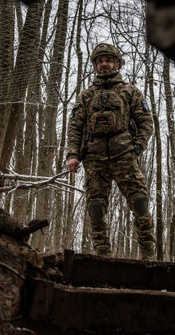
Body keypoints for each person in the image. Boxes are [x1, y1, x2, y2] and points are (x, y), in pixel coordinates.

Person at [65, 43, 156, 259]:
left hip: (124, 156)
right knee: (95, 207)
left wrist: (137, 147)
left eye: (108, 60)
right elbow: (74, 126)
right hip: (94, 158)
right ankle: (103, 255)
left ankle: (148, 254)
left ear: (117, 64)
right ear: (95, 65)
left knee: (140, 201)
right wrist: (72, 155)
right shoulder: (86, 96)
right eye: (100, 61)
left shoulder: (130, 92)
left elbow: (146, 121)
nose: (104, 64)